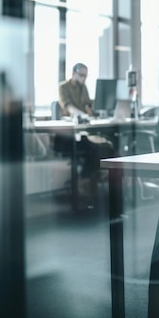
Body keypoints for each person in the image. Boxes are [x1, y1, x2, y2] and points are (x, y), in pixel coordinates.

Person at [56, 63, 114, 209]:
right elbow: (68, 106)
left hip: (85, 130)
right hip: (68, 134)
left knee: (106, 145)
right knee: (94, 149)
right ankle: (86, 186)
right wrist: (81, 114)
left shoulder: (84, 88)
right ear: (73, 73)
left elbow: (88, 105)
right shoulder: (63, 87)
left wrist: (96, 112)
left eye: (86, 76)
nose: (83, 79)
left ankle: (88, 182)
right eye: (81, 75)